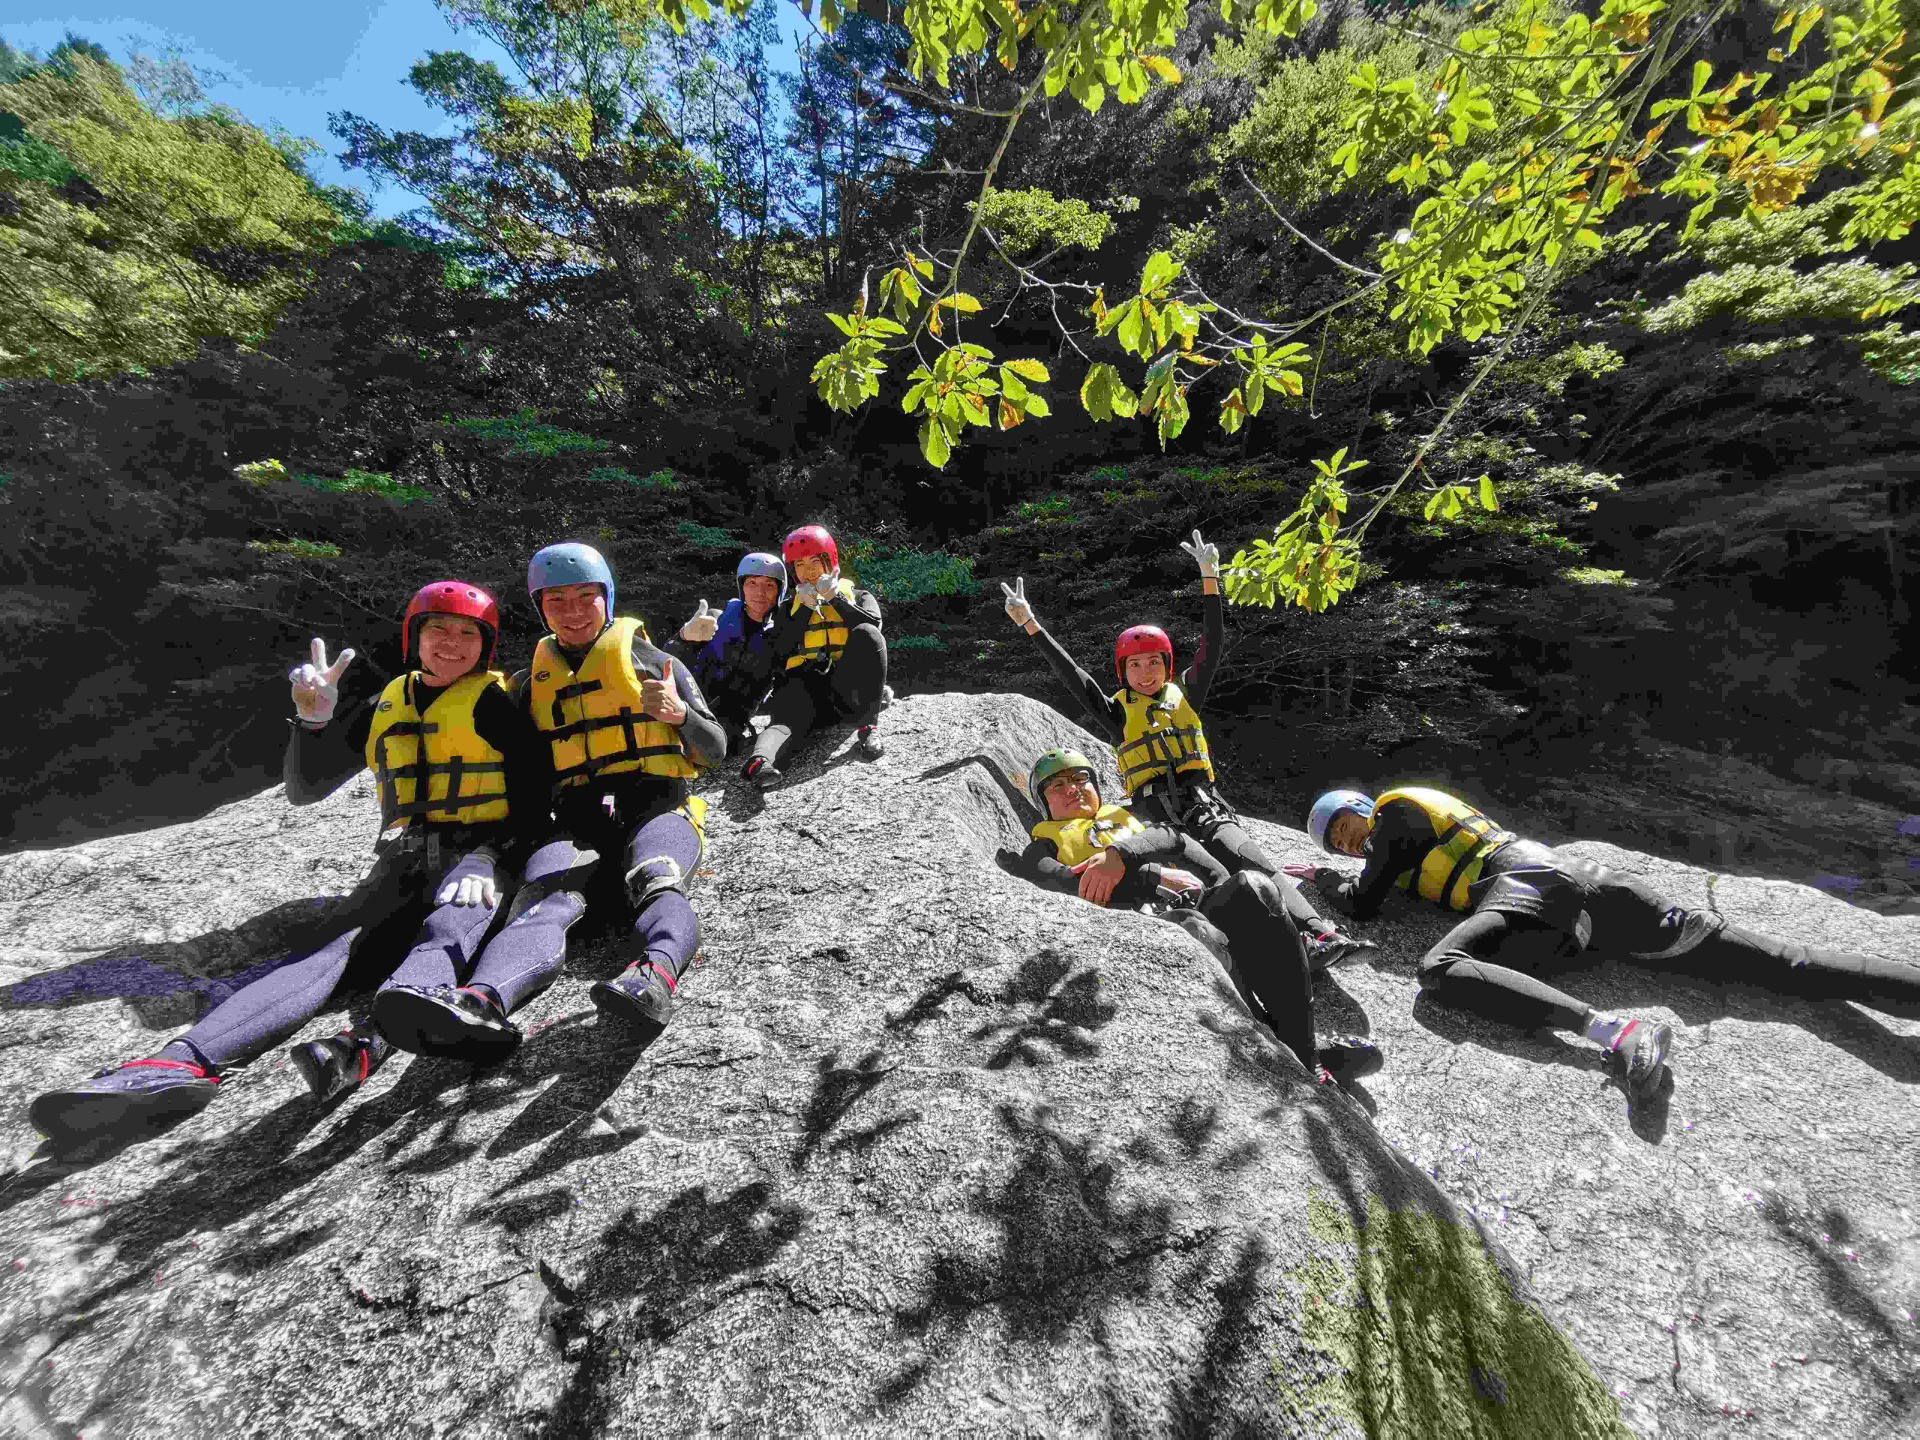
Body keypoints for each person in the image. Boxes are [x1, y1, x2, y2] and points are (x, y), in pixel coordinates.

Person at [27, 581, 556, 1147]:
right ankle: (179, 1063)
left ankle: (396, 1020)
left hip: (479, 855)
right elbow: (306, 790)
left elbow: (535, 796)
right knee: (321, 955)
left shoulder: (498, 703)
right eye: (437, 629)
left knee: (449, 923)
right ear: (414, 637)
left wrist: (487, 855)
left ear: (486, 644)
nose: (451, 643)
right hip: (404, 860)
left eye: (467, 633)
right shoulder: (386, 702)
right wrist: (310, 721)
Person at [1292, 786, 1920, 1102]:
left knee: (1440, 969)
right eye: (1336, 846)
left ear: (1359, 805)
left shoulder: (1397, 814)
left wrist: (1321, 879)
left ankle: (1614, 1034)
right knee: (1786, 968)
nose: (1349, 845)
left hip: (1535, 887)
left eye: (1344, 830)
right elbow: (1393, 881)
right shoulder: (1407, 842)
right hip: (1595, 899)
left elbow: (1364, 900)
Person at [393, 542, 727, 1042]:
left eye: (584, 597)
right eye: (555, 600)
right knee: (543, 900)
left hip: (654, 804)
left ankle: (653, 978)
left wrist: (679, 717)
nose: (571, 612)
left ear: (606, 598)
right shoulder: (530, 686)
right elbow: (524, 772)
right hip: (578, 821)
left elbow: (717, 749)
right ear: (539, 607)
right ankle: (481, 1002)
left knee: (657, 875)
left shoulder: (657, 664)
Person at [1000, 530, 1369, 969]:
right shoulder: (1117, 713)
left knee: (1251, 861)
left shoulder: (1185, 696)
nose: (1144, 671)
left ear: (1166, 666)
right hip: (1153, 816)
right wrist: (1030, 624)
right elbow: (1074, 677)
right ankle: (1260, 954)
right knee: (1209, 883)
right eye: (1134, 664)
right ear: (1123, 671)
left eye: (1154, 662)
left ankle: (1316, 933)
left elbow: (1212, 645)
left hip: (1201, 807)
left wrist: (1210, 578)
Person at [1019, 749, 1382, 1087]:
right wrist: (1149, 877)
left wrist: (1121, 852)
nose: (1073, 789)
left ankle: (1302, 1047)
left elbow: (1178, 841)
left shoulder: (1129, 820)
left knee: (1253, 887)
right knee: (1193, 929)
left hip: (1200, 905)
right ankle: (1277, 1043)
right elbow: (1061, 882)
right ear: (1044, 802)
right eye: (1058, 786)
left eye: (1081, 779)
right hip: (1142, 928)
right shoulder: (1043, 846)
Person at [741, 525, 890, 790]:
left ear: (829, 561)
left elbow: (873, 629)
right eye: (800, 564)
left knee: (867, 633)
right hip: (806, 698)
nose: (808, 571)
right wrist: (803, 611)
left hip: (847, 698)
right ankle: (759, 762)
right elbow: (780, 651)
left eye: (814, 562)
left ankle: (869, 727)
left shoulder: (859, 597)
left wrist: (835, 599)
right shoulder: (788, 609)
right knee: (783, 721)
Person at [666, 551, 787, 757]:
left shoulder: (780, 636)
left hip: (728, 721)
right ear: (742, 588)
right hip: (688, 704)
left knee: (717, 748)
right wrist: (683, 637)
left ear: (779, 592)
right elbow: (663, 661)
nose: (760, 592)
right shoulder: (713, 620)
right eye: (752, 584)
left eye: (769, 585)